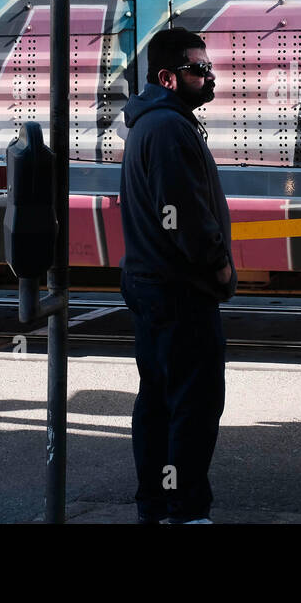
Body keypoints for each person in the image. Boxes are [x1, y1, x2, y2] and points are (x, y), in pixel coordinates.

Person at [118, 28, 237, 524]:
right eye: (197, 68)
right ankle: (185, 510)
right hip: (178, 289)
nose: (208, 76)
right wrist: (217, 263)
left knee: (161, 401)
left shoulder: (159, 122)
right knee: (192, 405)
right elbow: (181, 211)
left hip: (156, 286)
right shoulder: (167, 129)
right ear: (168, 77)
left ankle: (158, 505)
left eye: (208, 66)